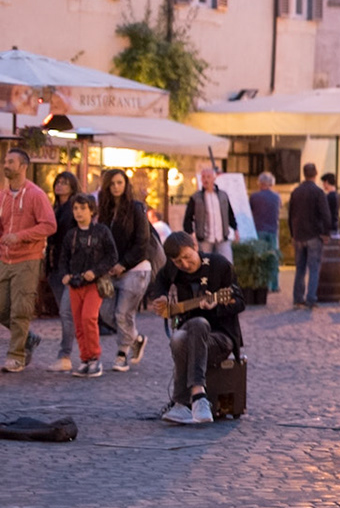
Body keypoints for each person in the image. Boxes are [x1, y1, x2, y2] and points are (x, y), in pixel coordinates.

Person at [146, 234, 245, 424]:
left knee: (198, 324)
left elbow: (240, 301)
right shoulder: (173, 268)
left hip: (220, 338)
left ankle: (191, 399)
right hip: (188, 332)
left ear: (195, 246)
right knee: (179, 338)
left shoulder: (219, 265)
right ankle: (190, 402)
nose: (184, 264)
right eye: (178, 261)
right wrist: (161, 296)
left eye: (187, 257)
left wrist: (217, 305)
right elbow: (160, 280)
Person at [0, 148, 54, 371]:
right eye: (5, 161)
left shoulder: (35, 194)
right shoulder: (3, 195)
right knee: (2, 308)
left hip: (28, 259)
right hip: (4, 259)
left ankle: (17, 356)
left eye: (10, 162)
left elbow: (49, 225)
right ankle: (28, 338)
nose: (6, 165)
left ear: (23, 166)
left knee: (20, 310)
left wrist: (20, 236)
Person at [54, 194, 116, 378]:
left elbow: (112, 256)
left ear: (92, 210)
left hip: (94, 284)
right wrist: (64, 275)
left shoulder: (102, 231)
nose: (78, 212)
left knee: (89, 317)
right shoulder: (71, 235)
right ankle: (85, 358)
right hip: (75, 284)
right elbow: (63, 258)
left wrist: (96, 272)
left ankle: (95, 358)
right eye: (75, 208)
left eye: (83, 208)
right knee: (79, 322)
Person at [97, 168, 153, 372]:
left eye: (119, 183)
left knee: (123, 313)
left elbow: (142, 242)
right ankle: (136, 338)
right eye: (112, 183)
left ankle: (122, 355)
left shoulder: (136, 208)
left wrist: (124, 264)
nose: (116, 187)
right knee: (106, 313)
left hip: (136, 268)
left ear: (126, 184)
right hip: (111, 270)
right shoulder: (105, 210)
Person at [44, 171, 78, 369]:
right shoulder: (55, 208)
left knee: (66, 312)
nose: (60, 185)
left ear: (72, 186)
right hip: (54, 266)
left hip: (70, 267)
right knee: (65, 312)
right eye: (58, 182)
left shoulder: (73, 208)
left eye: (64, 183)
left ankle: (65, 355)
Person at [287, 164, 330, 308]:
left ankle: (298, 298)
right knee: (314, 268)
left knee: (300, 269)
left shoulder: (296, 192)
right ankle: (311, 299)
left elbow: (290, 215)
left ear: (304, 174)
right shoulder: (318, 192)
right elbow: (325, 215)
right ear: (316, 174)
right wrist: (326, 233)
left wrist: (292, 234)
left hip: (299, 235)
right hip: (314, 235)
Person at [182, 166, 238, 262]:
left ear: (214, 178)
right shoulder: (196, 197)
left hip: (222, 238)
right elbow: (188, 218)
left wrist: (235, 229)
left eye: (208, 177)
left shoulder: (223, 196)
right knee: (205, 264)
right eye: (203, 177)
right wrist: (191, 235)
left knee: (227, 263)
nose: (206, 180)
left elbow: (229, 214)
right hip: (205, 239)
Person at [250, 173, 281, 252]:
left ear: (260, 183)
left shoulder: (254, 196)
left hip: (259, 229)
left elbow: (250, 211)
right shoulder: (277, 197)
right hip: (273, 230)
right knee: (273, 255)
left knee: (259, 255)